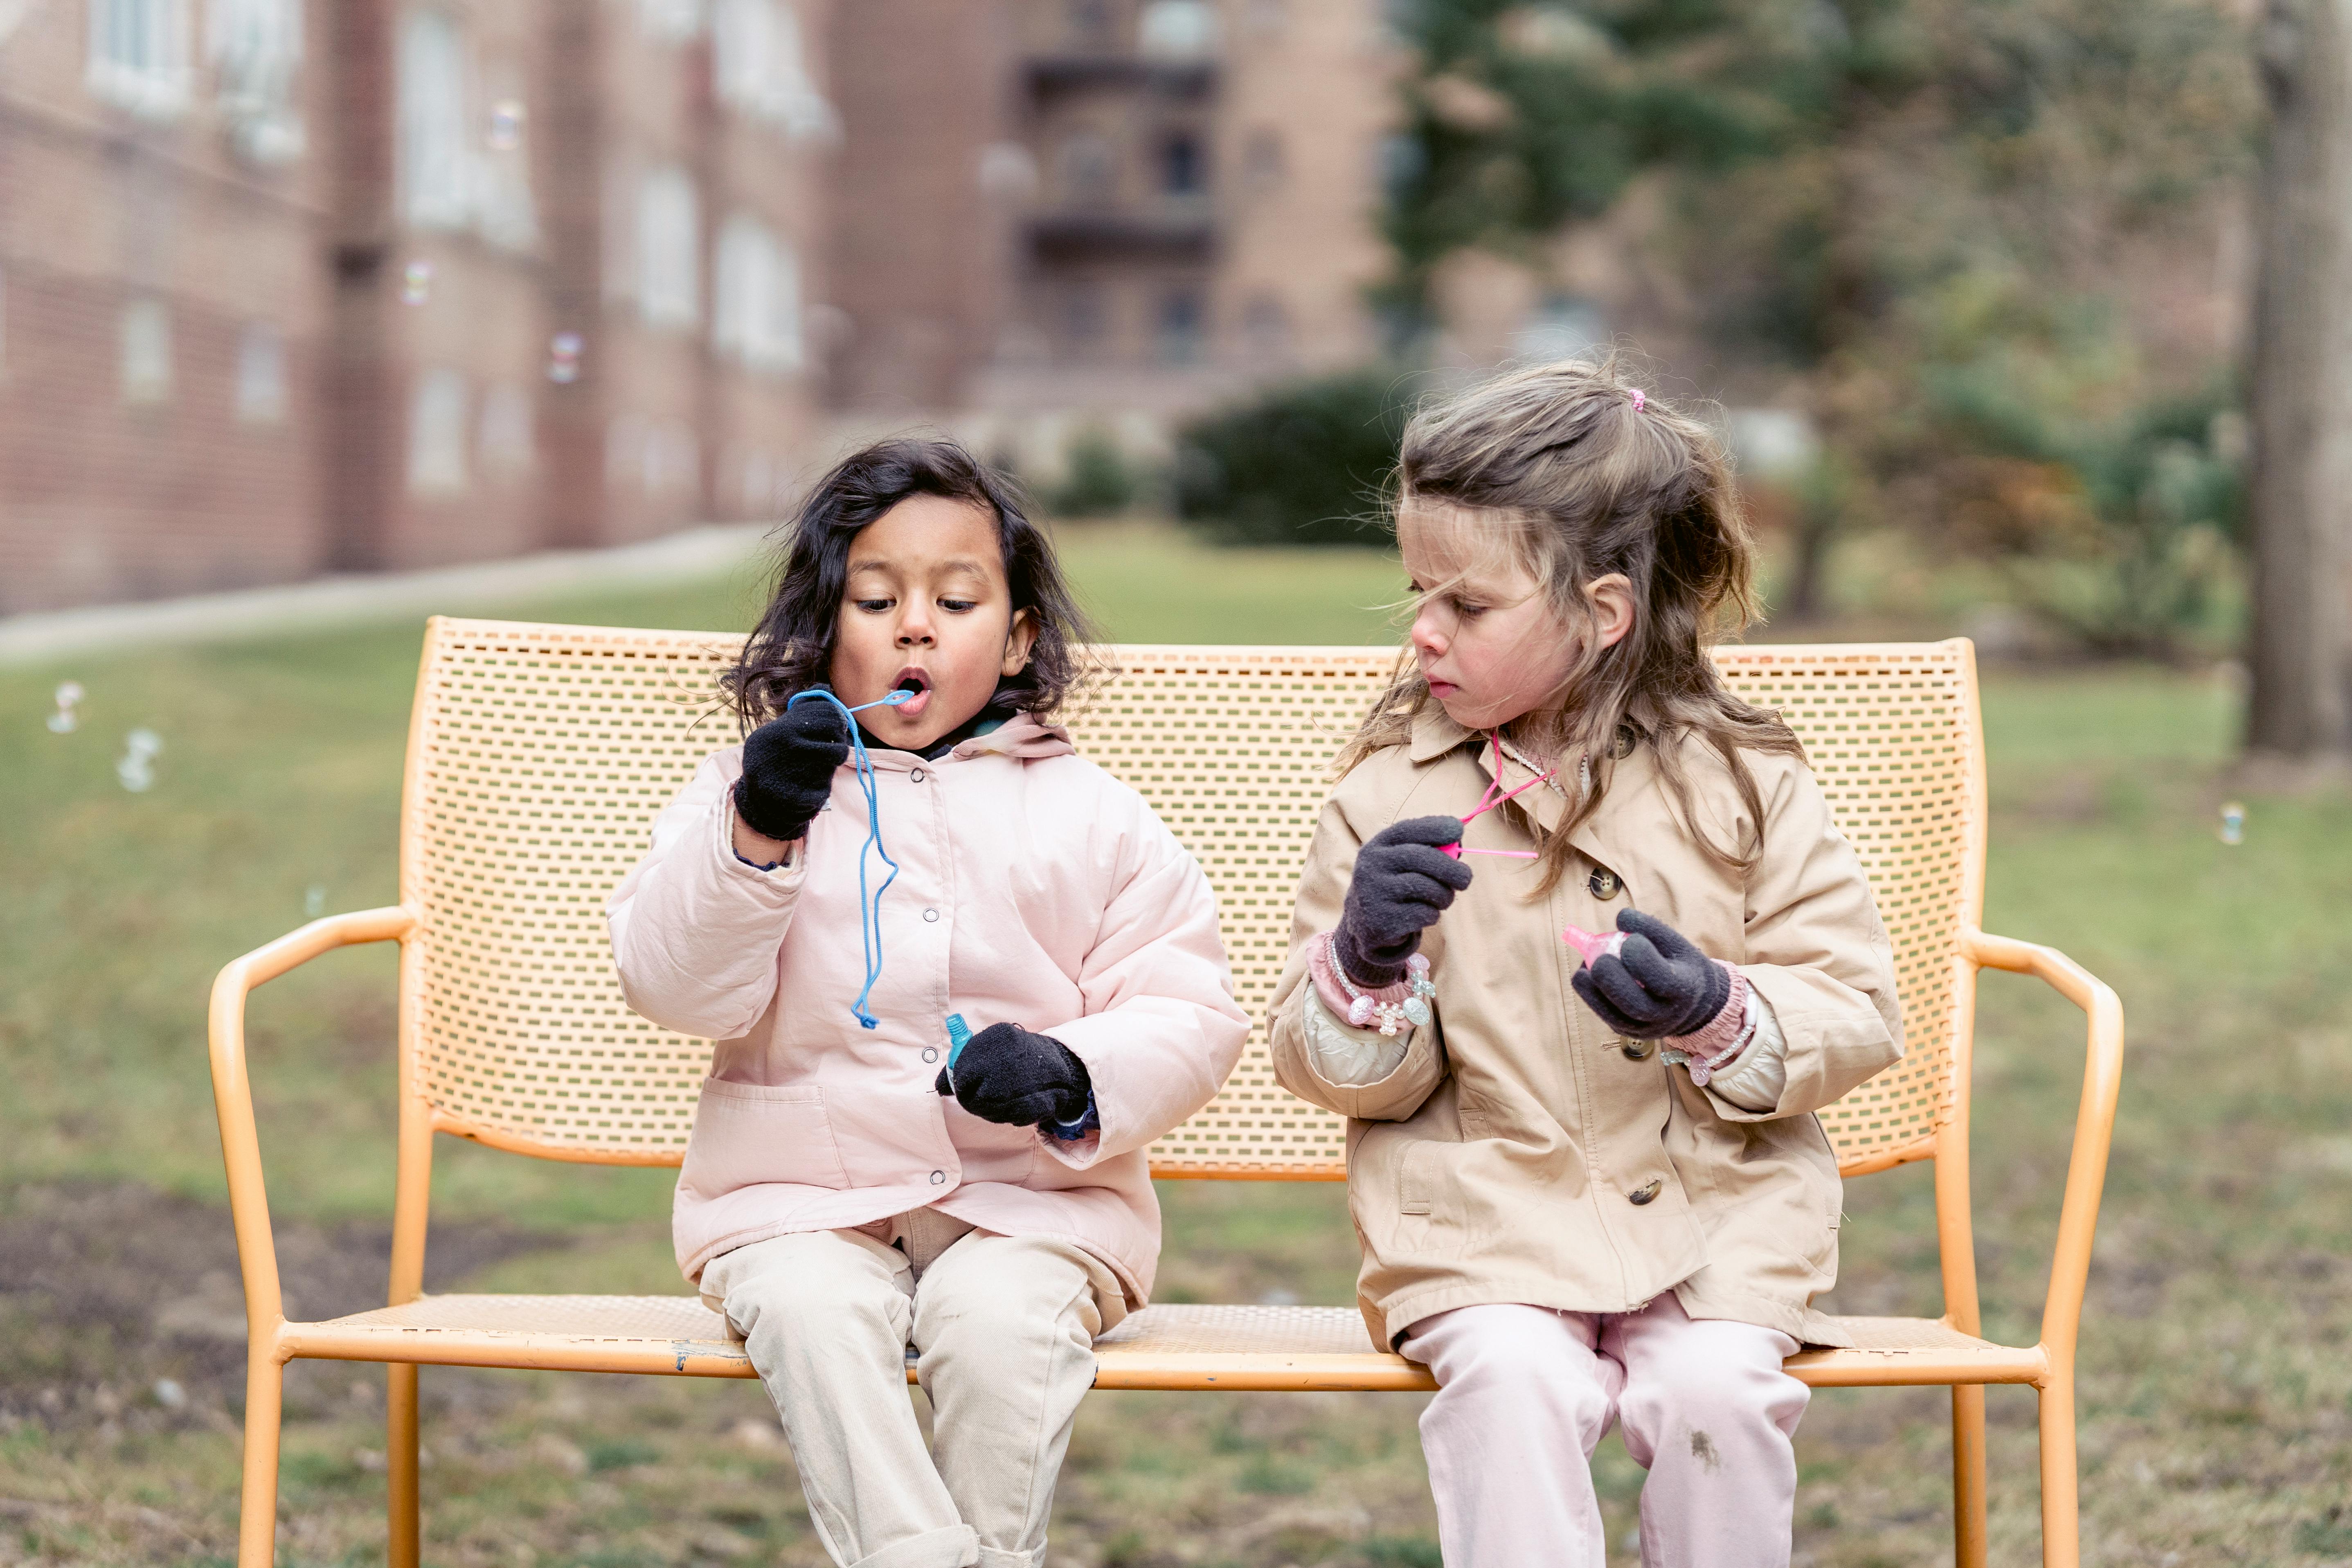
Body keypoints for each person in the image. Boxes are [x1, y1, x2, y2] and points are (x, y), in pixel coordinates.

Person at [1268, 362, 1904, 1568]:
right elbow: (1346, 1075)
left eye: (1468, 603)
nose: (1422, 630)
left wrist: (1717, 1008)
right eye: (1418, 591)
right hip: (1487, 1222)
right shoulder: (1386, 795)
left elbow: (1857, 1002)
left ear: (1604, 610)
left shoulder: (1744, 780)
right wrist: (1364, 960)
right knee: (1508, 1383)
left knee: (1719, 1397)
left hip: (1720, 1225)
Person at [609, 436, 1249, 1568]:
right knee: (813, 1309)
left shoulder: (1090, 814)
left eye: (956, 599)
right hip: (798, 1198)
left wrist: (1071, 1069)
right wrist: (757, 831)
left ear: (1015, 639)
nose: (916, 625)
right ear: (824, 628)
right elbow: (676, 985)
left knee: (998, 1325)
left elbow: (1188, 1007)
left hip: (1031, 1203)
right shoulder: (747, 793)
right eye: (876, 597)